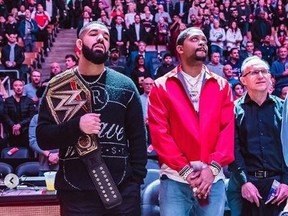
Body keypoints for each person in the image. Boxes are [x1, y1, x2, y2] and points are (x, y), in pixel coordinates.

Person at [36, 21, 147, 215]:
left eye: (105, 37)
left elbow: (138, 137)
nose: (101, 39)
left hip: (123, 193)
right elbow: (43, 137)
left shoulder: (126, 86)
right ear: (79, 44)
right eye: (94, 34)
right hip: (76, 193)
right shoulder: (57, 86)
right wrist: (76, 126)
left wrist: (135, 180)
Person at [148, 27, 234, 216]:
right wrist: (186, 172)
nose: (202, 42)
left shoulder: (222, 85)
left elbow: (227, 130)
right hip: (174, 178)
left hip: (213, 178)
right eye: (195, 39)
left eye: (204, 39)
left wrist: (212, 169)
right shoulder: (161, 86)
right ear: (180, 48)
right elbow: (160, 134)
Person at [227, 56, 288, 216]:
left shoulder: (283, 109)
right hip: (245, 186)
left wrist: (286, 183)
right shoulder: (232, 110)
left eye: (264, 72)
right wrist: (245, 182)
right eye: (254, 72)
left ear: (270, 77)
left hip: (279, 185)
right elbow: (233, 149)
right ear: (243, 80)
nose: (260, 76)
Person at [3, 79, 36, 152]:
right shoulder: (8, 100)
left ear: (23, 88)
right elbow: (5, 115)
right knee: (12, 153)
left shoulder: (29, 100)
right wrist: (13, 125)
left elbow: (32, 116)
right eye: (16, 85)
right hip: (11, 131)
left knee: (27, 152)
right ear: (13, 88)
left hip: (26, 132)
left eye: (20, 85)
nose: (18, 87)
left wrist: (19, 125)